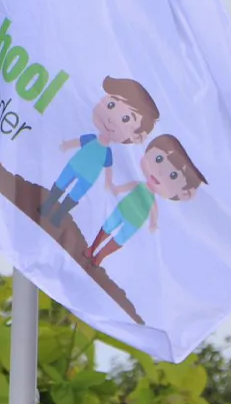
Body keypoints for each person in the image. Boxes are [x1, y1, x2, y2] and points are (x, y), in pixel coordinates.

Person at [38, 77, 160, 228]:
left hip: (88, 178)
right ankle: (47, 207)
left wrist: (108, 182)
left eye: (126, 119)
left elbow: (108, 168)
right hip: (74, 166)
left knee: (74, 195)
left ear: (136, 136)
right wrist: (66, 145)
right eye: (111, 104)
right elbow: (77, 142)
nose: (111, 120)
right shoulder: (91, 138)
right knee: (60, 184)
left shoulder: (107, 153)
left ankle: (58, 216)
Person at [86, 133, 207, 267]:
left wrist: (153, 222)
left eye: (173, 175)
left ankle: (100, 256)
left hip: (135, 219)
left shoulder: (151, 196)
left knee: (120, 237)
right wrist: (118, 189)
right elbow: (131, 187)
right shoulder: (141, 185)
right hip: (125, 209)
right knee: (109, 226)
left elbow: (153, 207)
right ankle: (92, 249)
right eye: (159, 159)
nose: (160, 173)